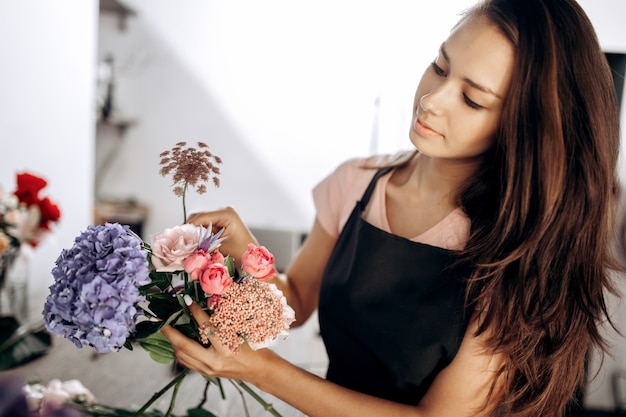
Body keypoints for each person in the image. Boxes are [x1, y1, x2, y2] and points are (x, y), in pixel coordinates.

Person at [162, 0, 623, 415]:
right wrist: (245, 249)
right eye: (440, 67)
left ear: (521, 125)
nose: (431, 100)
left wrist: (261, 370)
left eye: (472, 99)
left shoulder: (517, 247)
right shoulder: (356, 183)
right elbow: (295, 304)